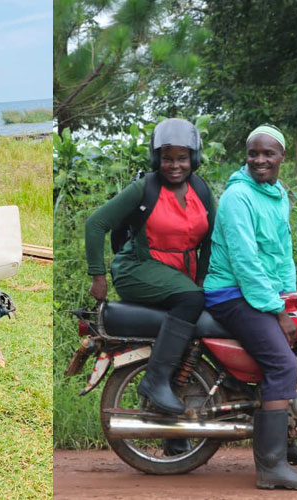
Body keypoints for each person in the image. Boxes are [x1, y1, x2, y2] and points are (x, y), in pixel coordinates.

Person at [203, 124, 297, 490]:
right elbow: (245, 261)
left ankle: (285, 442)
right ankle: (271, 468)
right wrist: (277, 309)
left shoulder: (276, 193)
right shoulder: (239, 197)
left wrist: (290, 298)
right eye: (253, 153)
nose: (260, 160)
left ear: (282, 156)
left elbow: (282, 252)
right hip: (231, 294)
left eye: (268, 153)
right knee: (282, 362)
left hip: (260, 293)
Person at [85, 118, 214, 417]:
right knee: (192, 300)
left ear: (193, 158)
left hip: (180, 275)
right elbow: (96, 224)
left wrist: (204, 279)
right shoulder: (145, 188)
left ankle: (175, 433)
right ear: (157, 159)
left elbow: (210, 240)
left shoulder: (201, 191)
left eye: (182, 158)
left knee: (192, 337)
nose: (174, 165)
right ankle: (154, 382)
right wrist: (98, 276)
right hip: (138, 268)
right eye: (167, 158)